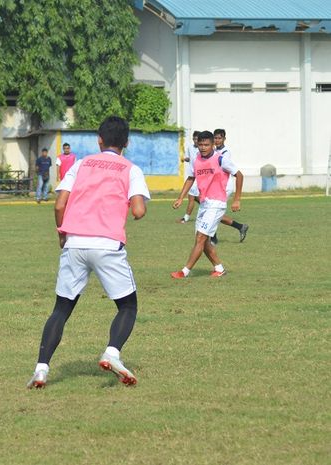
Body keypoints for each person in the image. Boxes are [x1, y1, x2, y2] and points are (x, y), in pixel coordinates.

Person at [27, 116, 150, 389]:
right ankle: (112, 352)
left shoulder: (81, 164)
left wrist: (62, 233)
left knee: (62, 308)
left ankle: (41, 369)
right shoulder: (131, 169)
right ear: (126, 142)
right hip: (106, 244)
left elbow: (59, 205)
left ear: (99, 139)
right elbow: (139, 211)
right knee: (128, 306)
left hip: (74, 242)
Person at [171, 131, 243, 279]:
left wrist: (237, 199)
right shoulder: (196, 159)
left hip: (216, 204)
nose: (203, 147)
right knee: (202, 240)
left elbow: (239, 175)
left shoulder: (220, 159)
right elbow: (191, 178)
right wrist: (180, 198)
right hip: (204, 204)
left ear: (213, 145)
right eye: (201, 144)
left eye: (206, 144)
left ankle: (184, 271)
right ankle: (219, 268)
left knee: (200, 239)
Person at [213, 129, 249, 243]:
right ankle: (240, 227)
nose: (217, 140)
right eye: (215, 138)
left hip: (225, 187)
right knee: (214, 213)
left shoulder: (225, 153)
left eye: (219, 138)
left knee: (213, 212)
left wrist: (237, 199)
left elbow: (236, 173)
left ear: (224, 139)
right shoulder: (213, 150)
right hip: (216, 187)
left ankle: (213, 239)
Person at [177, 131, 200, 224]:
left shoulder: (202, 149)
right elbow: (189, 158)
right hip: (192, 175)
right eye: (194, 139)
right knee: (195, 198)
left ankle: (185, 218)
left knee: (191, 197)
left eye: (197, 139)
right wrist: (185, 159)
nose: (195, 141)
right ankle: (211, 210)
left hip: (198, 177)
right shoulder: (190, 147)